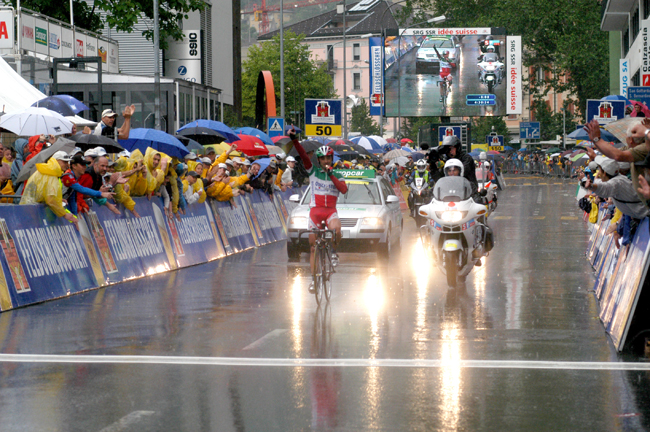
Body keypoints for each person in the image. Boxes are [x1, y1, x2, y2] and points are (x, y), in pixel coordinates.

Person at [290, 129, 348, 292]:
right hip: (315, 213)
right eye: (322, 158)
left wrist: (331, 175)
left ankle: (334, 252)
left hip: (330, 212)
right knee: (313, 247)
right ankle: (314, 280)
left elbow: (343, 190)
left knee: (336, 230)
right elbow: (303, 156)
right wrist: (294, 140)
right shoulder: (313, 171)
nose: (325, 160)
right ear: (319, 160)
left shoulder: (337, 174)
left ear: (331, 158)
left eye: (328, 157)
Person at [20, 151, 78, 228]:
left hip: (27, 208)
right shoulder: (51, 175)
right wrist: (64, 214)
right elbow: (50, 199)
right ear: (56, 161)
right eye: (64, 162)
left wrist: (58, 199)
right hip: (32, 212)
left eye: (68, 162)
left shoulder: (47, 171)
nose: (67, 165)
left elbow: (43, 193)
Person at [582, 157, 649, 219]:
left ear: (605, 173)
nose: (598, 173)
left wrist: (591, 186)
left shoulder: (617, 183)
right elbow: (602, 183)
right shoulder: (617, 178)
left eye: (600, 170)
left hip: (646, 214)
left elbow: (605, 188)